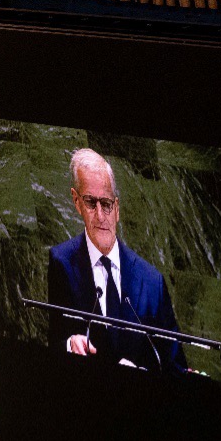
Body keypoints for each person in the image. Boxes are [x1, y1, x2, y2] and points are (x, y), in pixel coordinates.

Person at [47, 148, 185, 372]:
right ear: (76, 201)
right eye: (91, 203)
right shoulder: (61, 262)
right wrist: (69, 344)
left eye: (107, 204)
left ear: (117, 209)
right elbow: (52, 343)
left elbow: (174, 366)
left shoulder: (152, 282)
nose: (100, 216)